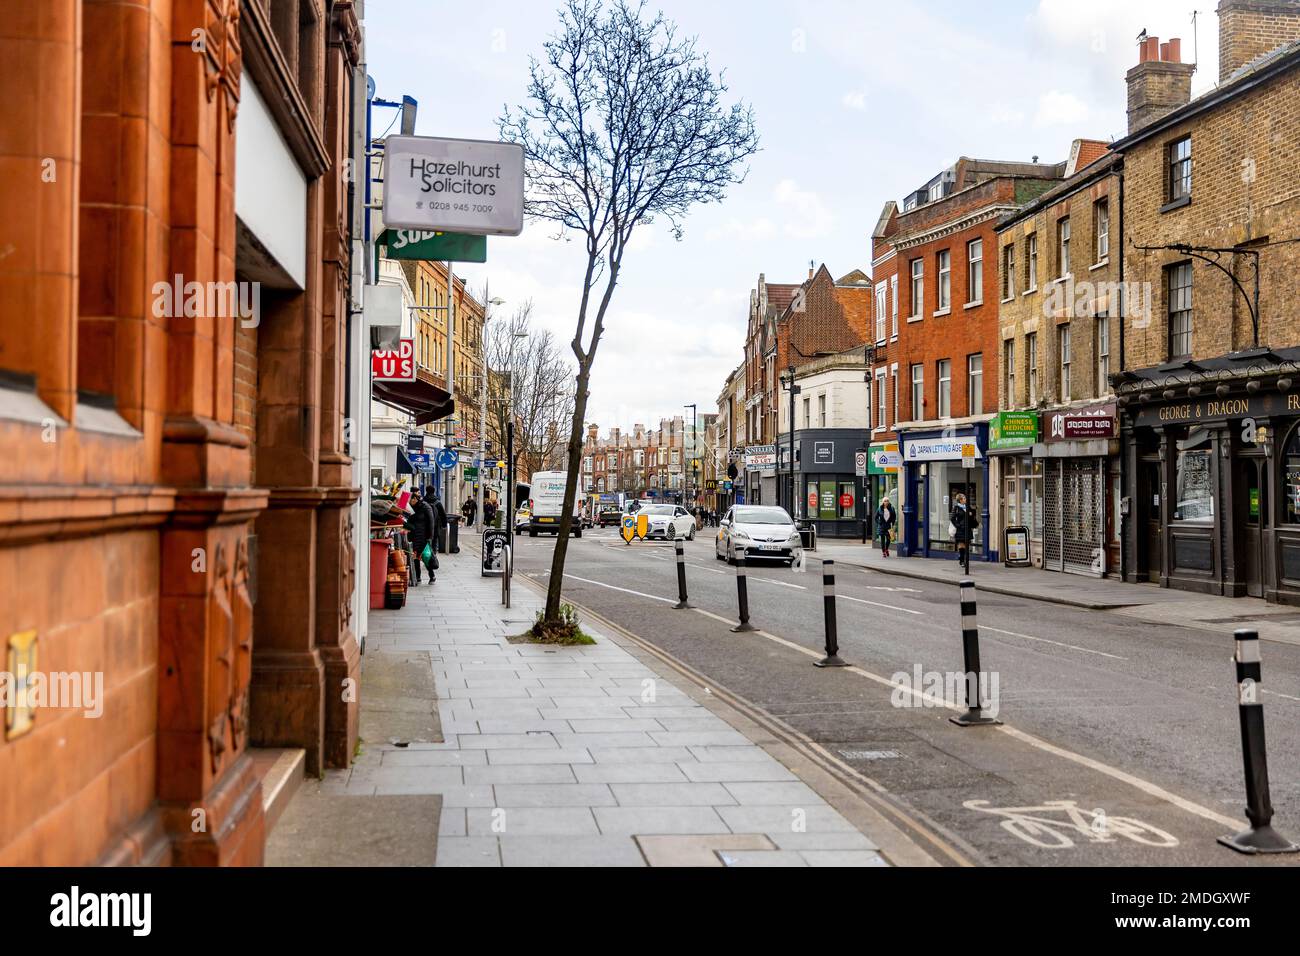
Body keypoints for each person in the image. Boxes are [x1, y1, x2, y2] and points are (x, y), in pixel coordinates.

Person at [406, 490, 437, 586]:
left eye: (410, 500)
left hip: (424, 536)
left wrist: (430, 537)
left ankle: (432, 575)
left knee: (425, 557)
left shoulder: (426, 507)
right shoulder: (411, 507)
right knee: (415, 556)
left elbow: (431, 523)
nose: (409, 502)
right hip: (413, 535)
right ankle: (418, 577)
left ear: (415, 499)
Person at [950, 492, 978, 572]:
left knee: (966, 544)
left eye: (965, 498)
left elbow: (973, 516)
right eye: (964, 498)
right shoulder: (956, 508)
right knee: (961, 544)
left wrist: (971, 514)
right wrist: (958, 525)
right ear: (960, 500)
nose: (966, 499)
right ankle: (962, 560)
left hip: (967, 528)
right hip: (960, 529)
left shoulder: (967, 507)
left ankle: (964, 558)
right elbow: (952, 518)